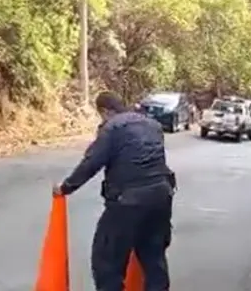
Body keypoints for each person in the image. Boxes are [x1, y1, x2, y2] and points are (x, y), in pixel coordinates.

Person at [53, 91, 176, 291]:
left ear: (105, 111)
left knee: (107, 262)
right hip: (161, 198)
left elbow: (91, 162)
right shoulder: (152, 125)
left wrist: (66, 187)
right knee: (154, 259)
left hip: (128, 203)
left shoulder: (112, 128)